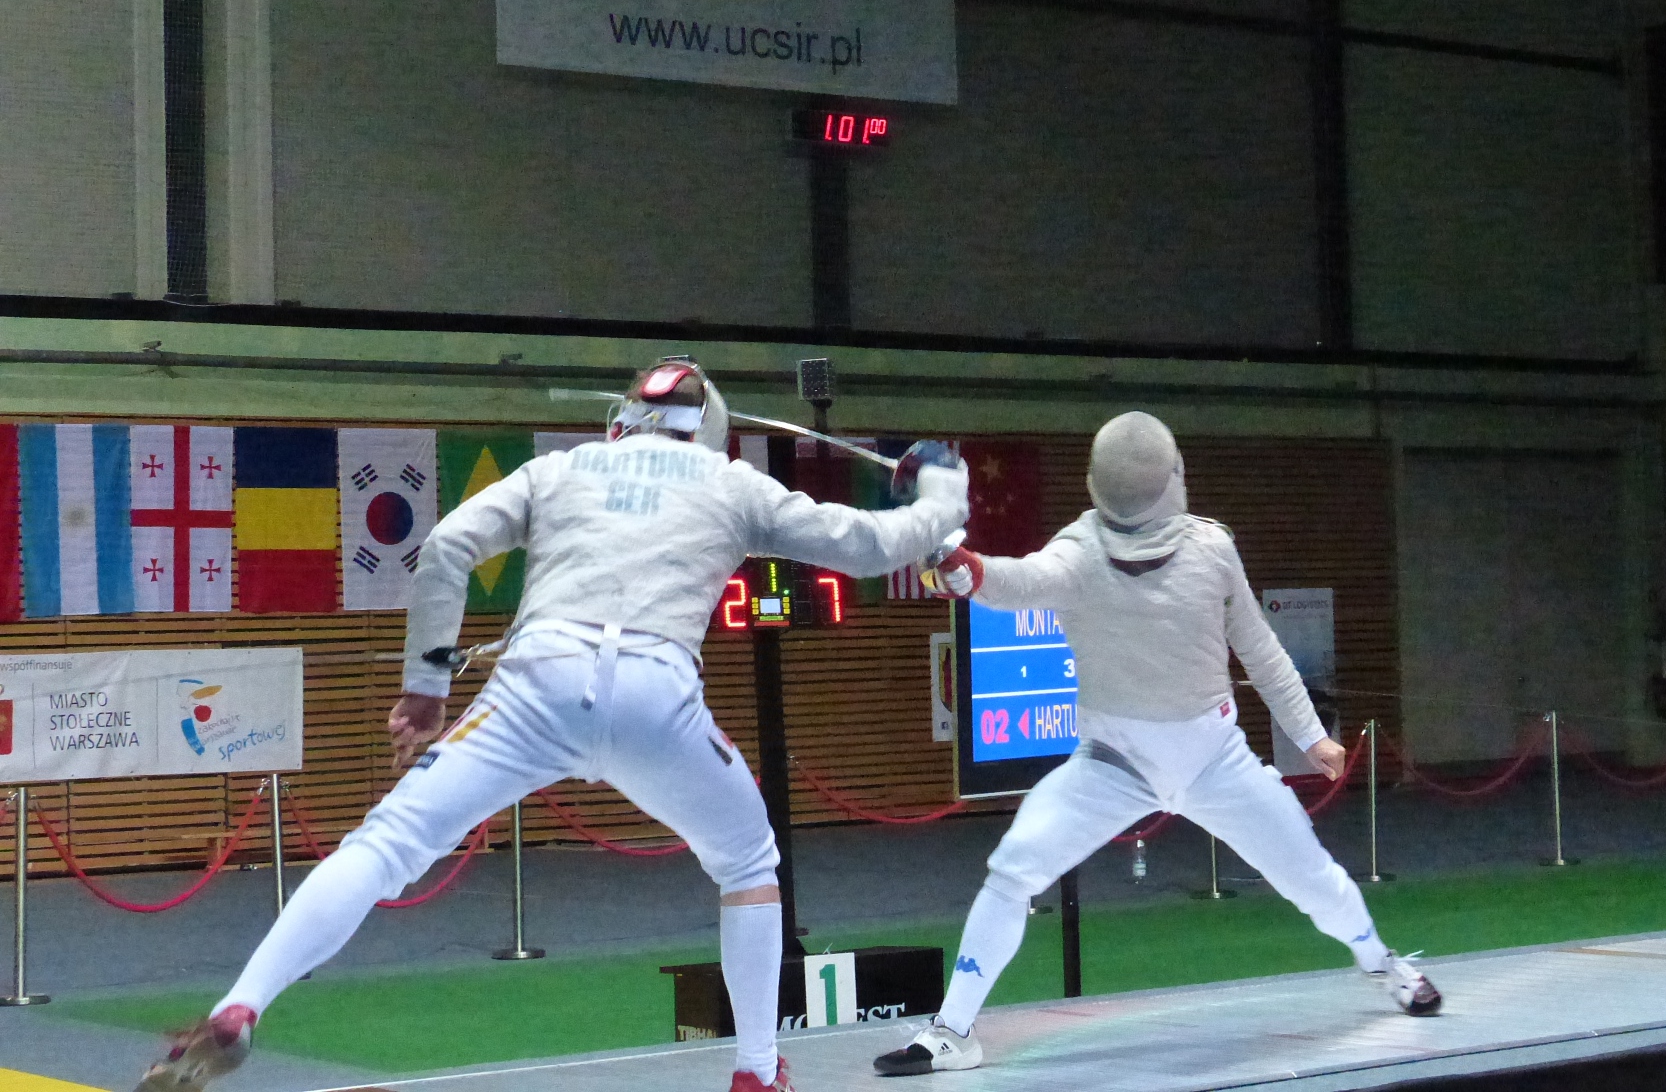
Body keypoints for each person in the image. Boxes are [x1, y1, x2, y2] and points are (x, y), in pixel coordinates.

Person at [135, 358, 969, 1092]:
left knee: (386, 845)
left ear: (621, 420)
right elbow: (872, 546)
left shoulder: (560, 469)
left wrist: (425, 687)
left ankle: (241, 1005)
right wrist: (943, 491)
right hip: (656, 695)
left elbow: (445, 549)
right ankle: (756, 1071)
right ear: (706, 432)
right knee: (748, 861)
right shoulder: (731, 484)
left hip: (535, 683)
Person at [874, 412, 1438, 1077]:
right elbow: (1013, 581)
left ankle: (1382, 964)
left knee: (1312, 879)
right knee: (1014, 869)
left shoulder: (1210, 549)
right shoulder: (1081, 552)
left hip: (1215, 761)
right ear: (1175, 478)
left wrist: (1311, 734)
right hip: (1111, 766)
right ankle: (952, 1031)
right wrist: (964, 569)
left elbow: (1259, 648)